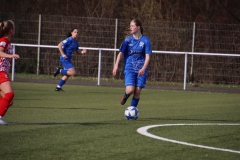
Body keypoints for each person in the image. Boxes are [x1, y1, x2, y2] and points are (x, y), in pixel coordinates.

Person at [112, 19, 152, 108]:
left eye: (132, 26)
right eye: (130, 26)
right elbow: (120, 54)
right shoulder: (128, 40)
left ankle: (132, 110)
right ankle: (125, 96)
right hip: (129, 68)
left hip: (141, 69)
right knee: (130, 90)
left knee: (137, 91)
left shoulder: (146, 40)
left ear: (138, 27)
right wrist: (116, 66)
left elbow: (148, 56)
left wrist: (143, 68)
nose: (130, 28)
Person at [0, 20, 20, 125]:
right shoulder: (4, 40)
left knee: (8, 101)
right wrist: (10, 56)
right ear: (11, 30)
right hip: (0, 71)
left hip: (2, 71)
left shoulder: (5, 41)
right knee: (9, 94)